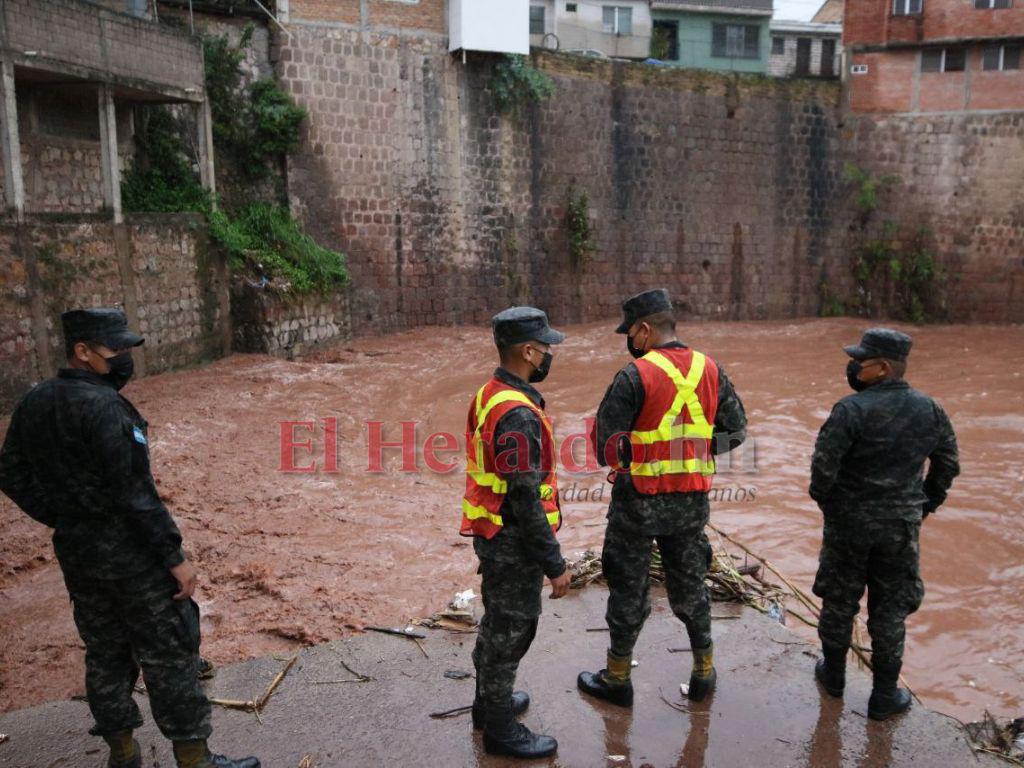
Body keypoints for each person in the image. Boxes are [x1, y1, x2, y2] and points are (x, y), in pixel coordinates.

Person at [0, 308, 259, 768]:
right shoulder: (107, 408)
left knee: (105, 650)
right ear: (82, 352)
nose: (123, 358)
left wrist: (60, 515)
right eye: (116, 350)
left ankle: (122, 753)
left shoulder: (37, 399)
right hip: (132, 556)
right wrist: (174, 555)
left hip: (78, 553)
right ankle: (195, 759)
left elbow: (10, 471)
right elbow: (136, 493)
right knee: (170, 651)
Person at [578, 288, 747, 706]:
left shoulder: (633, 376)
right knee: (691, 587)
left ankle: (617, 679)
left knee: (628, 589)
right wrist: (692, 451)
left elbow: (606, 447)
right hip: (690, 503)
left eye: (631, 332)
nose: (630, 340)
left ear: (645, 329)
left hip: (638, 504)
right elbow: (736, 430)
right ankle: (704, 673)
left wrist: (643, 454)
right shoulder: (711, 369)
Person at [809, 328, 960, 721]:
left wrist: (834, 507)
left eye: (861, 360)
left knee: (839, 602)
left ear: (883, 367)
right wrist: (923, 505)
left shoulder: (850, 411)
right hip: (899, 529)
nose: (854, 366)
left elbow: (822, 473)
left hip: (849, 527)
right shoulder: (930, 410)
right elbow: (947, 465)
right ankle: (884, 696)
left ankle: (835, 679)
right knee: (890, 609)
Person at [461, 306, 571, 759]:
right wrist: (555, 565)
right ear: (528, 351)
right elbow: (526, 501)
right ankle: (501, 731)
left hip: (492, 530)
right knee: (512, 632)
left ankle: (489, 706)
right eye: (545, 348)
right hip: (513, 542)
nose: (549, 355)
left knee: (495, 625)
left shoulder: (490, 392)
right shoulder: (519, 415)